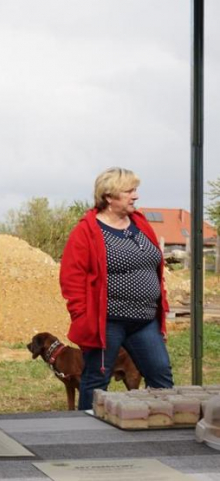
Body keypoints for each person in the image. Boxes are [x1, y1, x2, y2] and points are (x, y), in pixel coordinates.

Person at [60, 167, 173, 410]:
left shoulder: (140, 224)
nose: (136, 196)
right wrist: (82, 318)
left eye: (135, 190)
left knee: (161, 375)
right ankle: (88, 436)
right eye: (129, 191)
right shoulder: (87, 230)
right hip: (108, 323)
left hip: (144, 321)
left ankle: (162, 430)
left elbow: (153, 265)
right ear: (109, 197)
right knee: (97, 380)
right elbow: (72, 278)